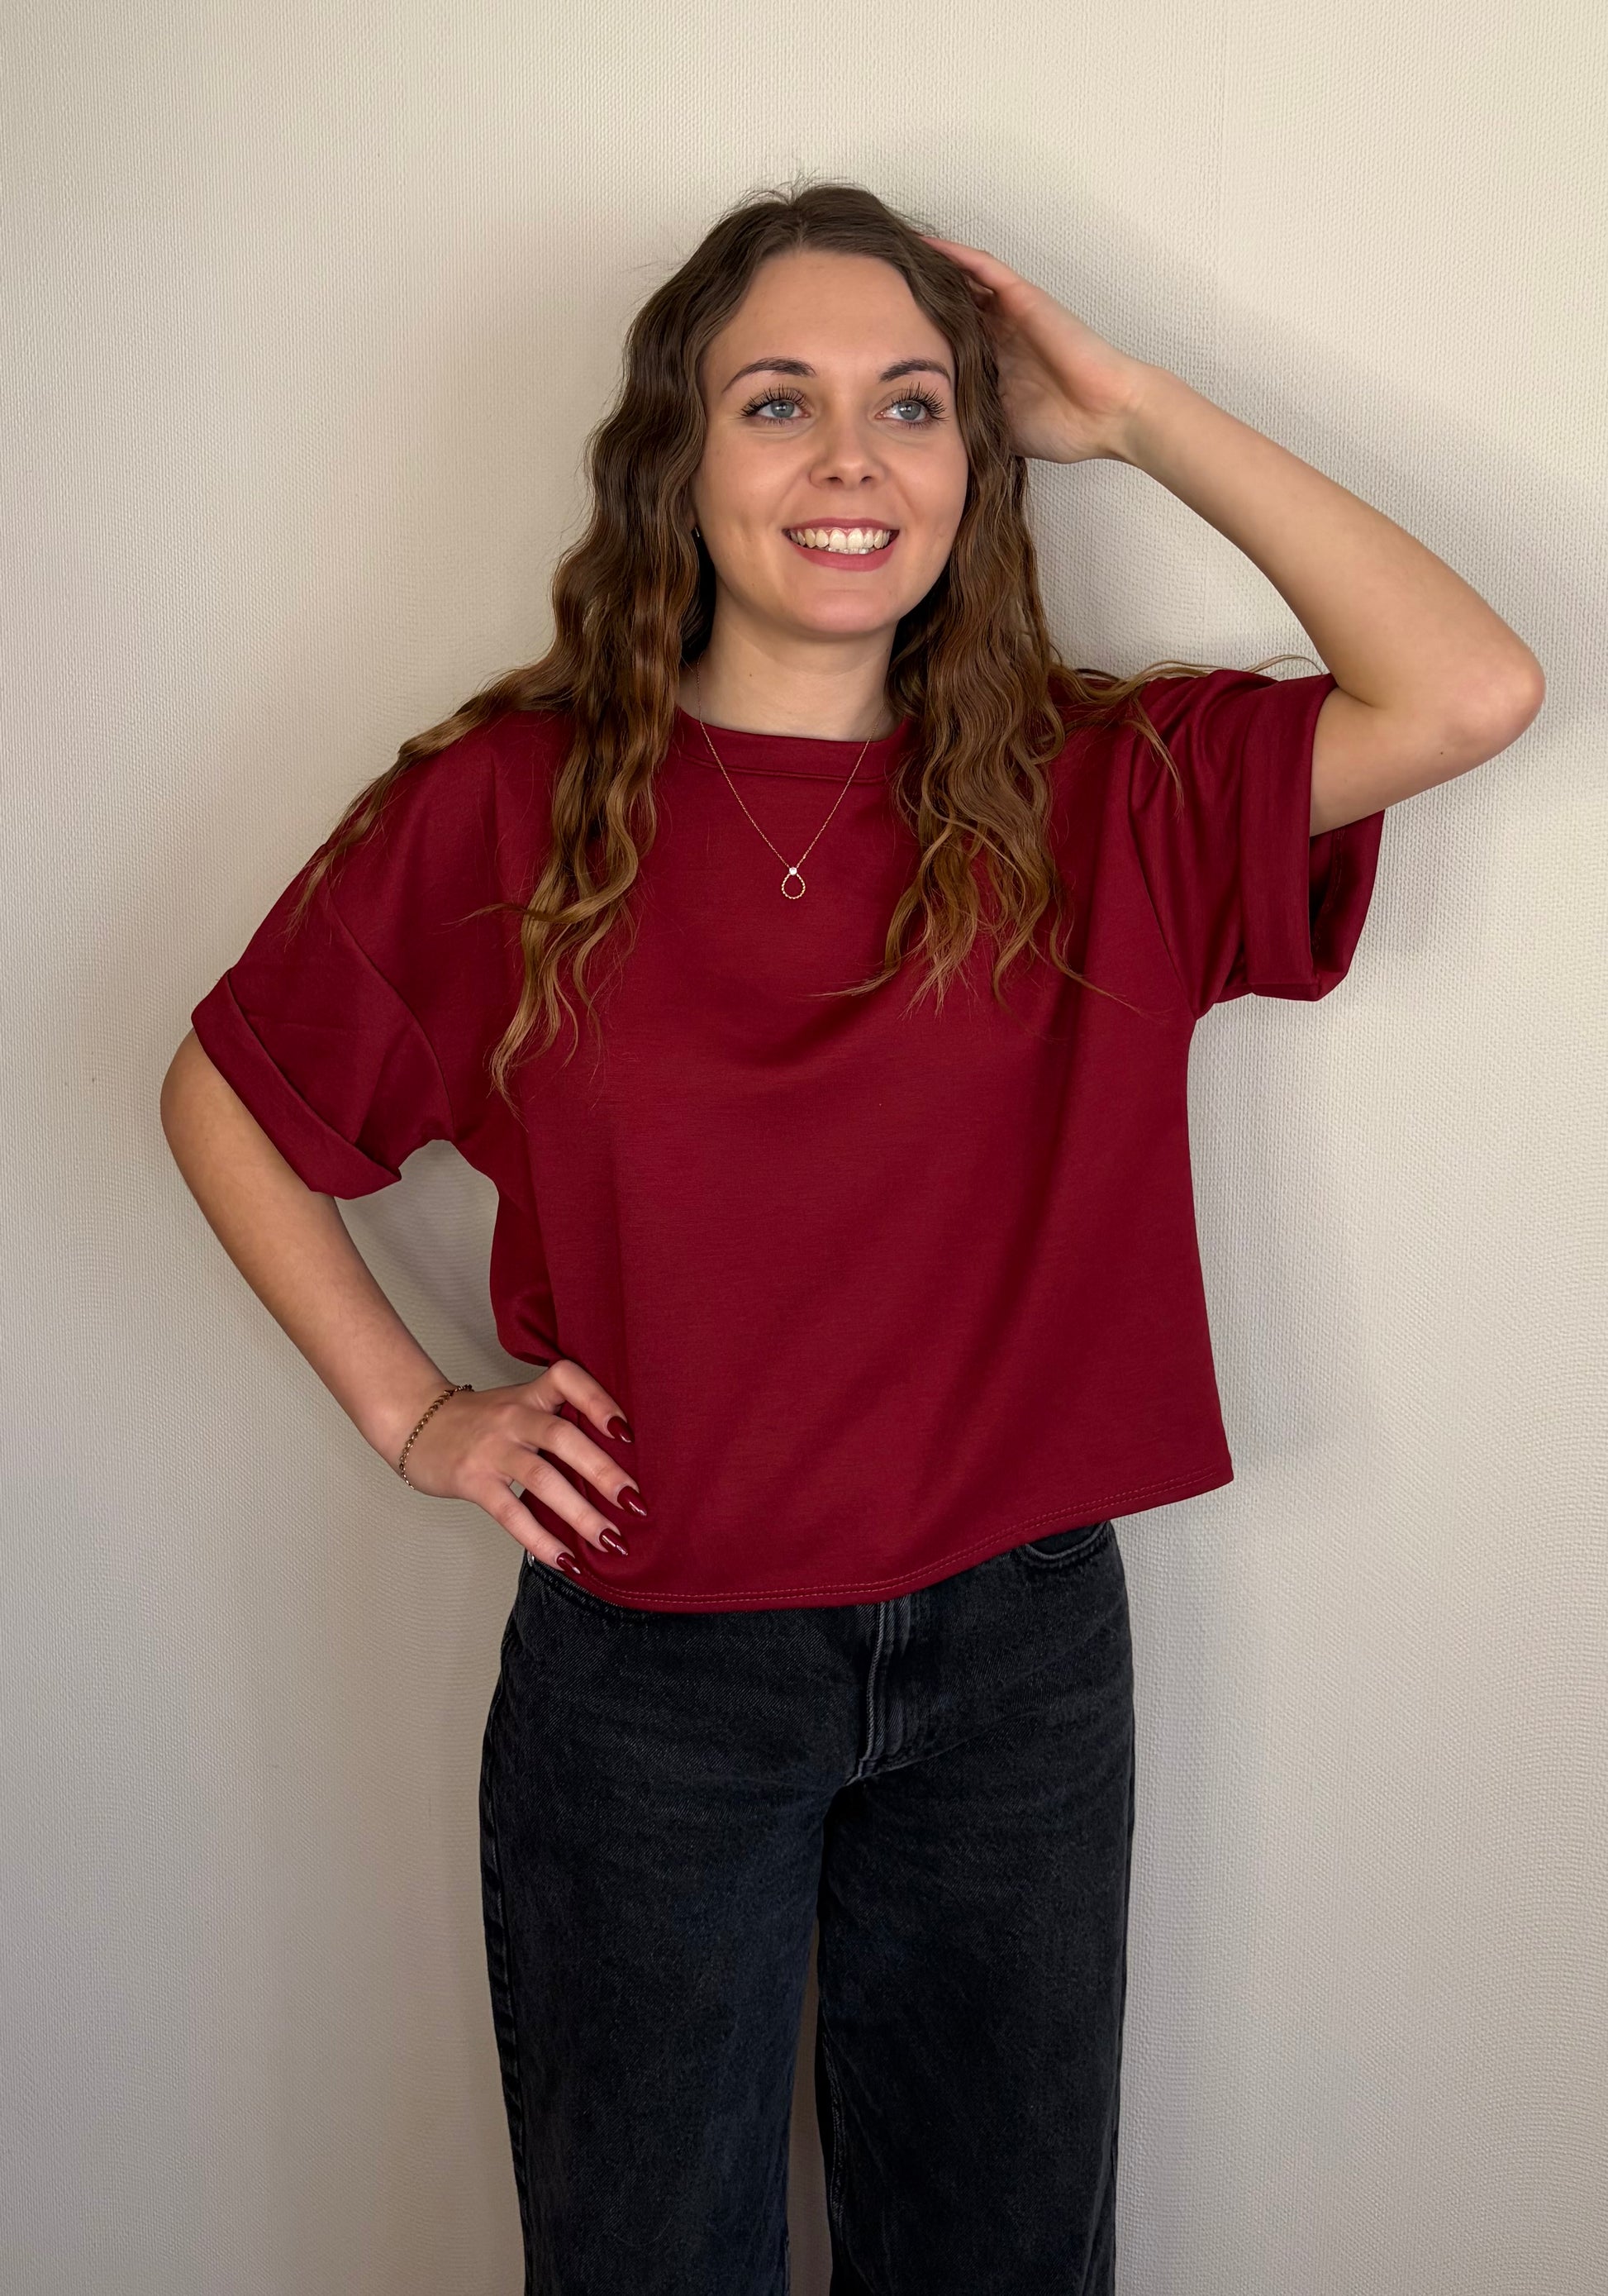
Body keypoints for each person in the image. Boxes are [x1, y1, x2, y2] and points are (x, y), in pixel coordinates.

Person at [160, 180, 1543, 2296]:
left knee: (1000, 2262)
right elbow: (229, 1097)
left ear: (975, 465)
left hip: (1020, 1662)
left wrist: (1130, 410)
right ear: (676, 456)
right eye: (776, 401)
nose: (849, 458)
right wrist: (417, 1413)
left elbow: (1467, 689)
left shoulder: (1101, 791)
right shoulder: (512, 809)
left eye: (910, 405)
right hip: (655, 1673)